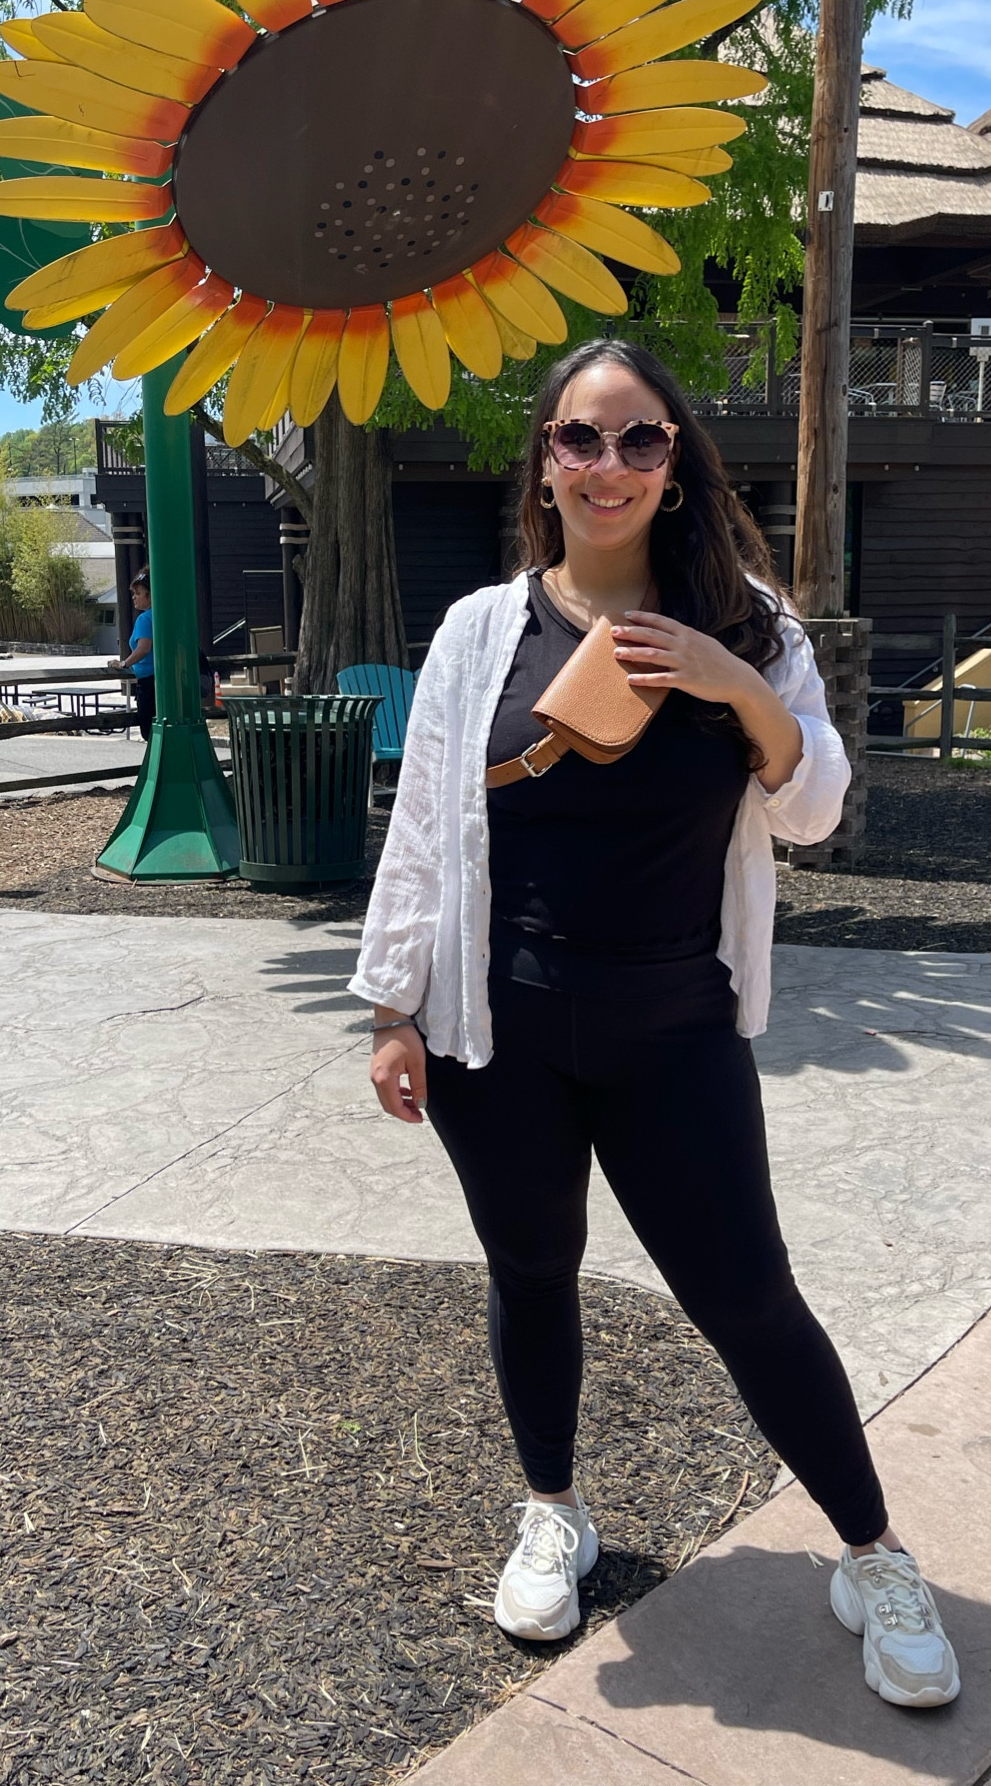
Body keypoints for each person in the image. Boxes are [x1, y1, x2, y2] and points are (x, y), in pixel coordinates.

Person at [351, 340, 960, 1708]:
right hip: (493, 1032)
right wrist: (394, 1007)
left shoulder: (753, 626)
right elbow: (426, 836)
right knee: (531, 1270)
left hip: (677, 1022)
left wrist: (727, 680)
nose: (609, 466)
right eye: (581, 439)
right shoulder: (477, 634)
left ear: (677, 463)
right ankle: (554, 1511)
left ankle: (873, 1554)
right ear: (546, 464)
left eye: (640, 441)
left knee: (747, 1295)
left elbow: (812, 810)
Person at [110, 570, 155, 740]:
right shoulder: (163, 616)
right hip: (164, 680)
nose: (134, 597)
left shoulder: (145, 619)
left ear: (150, 596)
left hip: (148, 682)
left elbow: (143, 648)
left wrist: (124, 663)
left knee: (149, 731)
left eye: (138, 593)